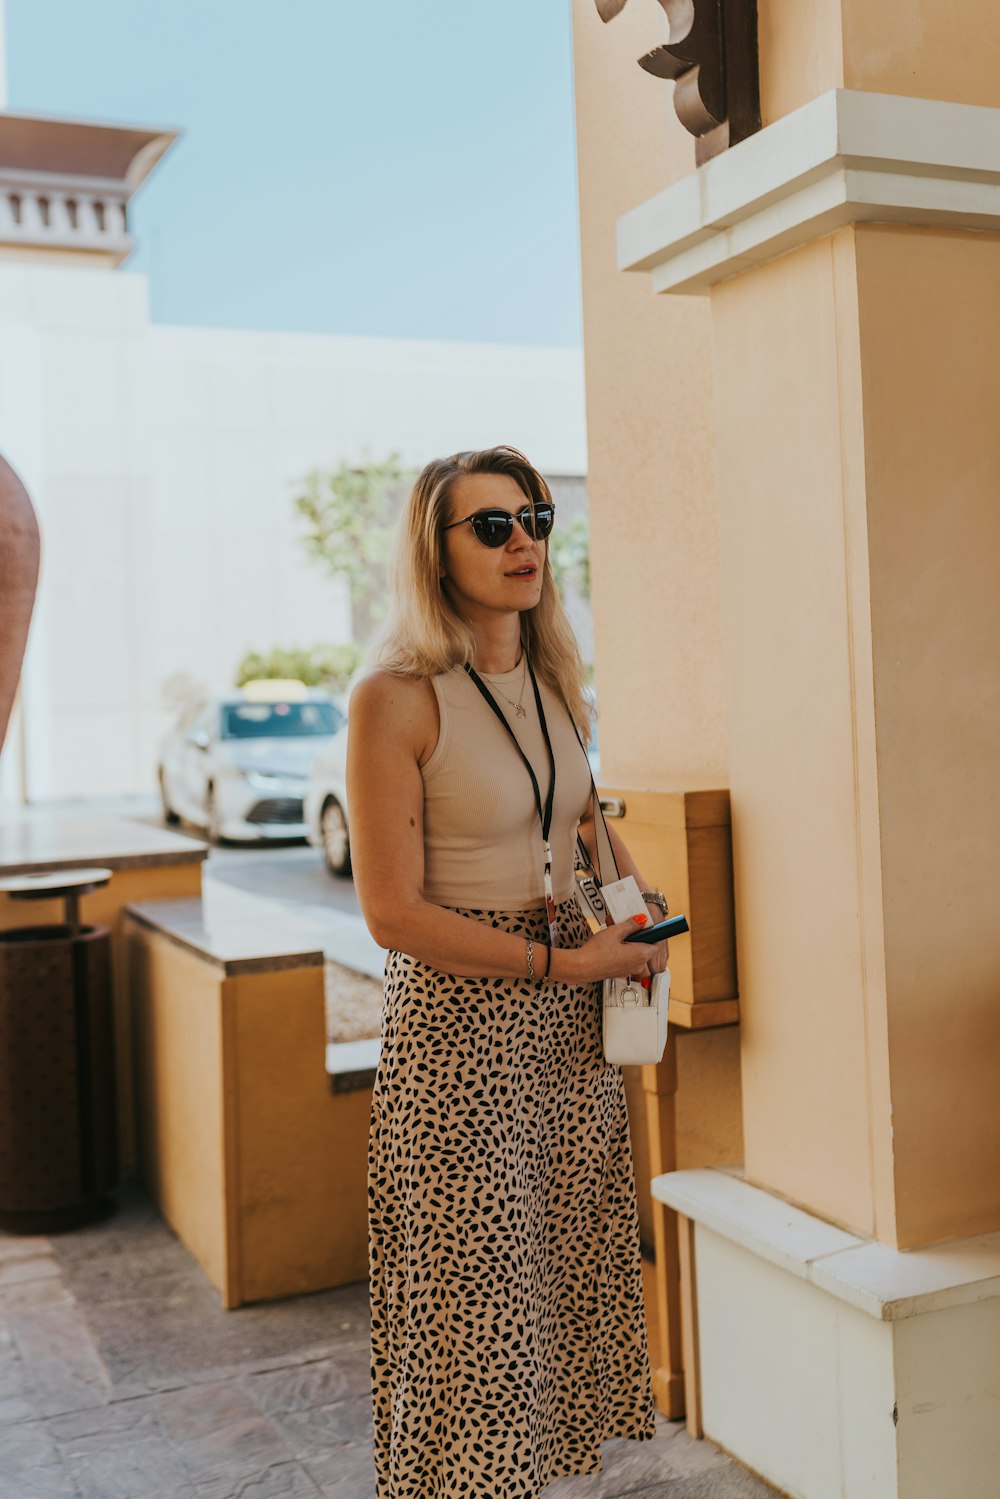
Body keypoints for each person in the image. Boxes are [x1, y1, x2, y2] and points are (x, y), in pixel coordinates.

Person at [347, 444, 670, 1498]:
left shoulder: (549, 675)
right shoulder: (395, 694)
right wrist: (566, 957)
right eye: (491, 525)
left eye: (532, 516)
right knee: (474, 1299)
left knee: (559, 1274)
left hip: (565, 1022)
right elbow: (392, 913)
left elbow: (580, 824)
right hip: (462, 1026)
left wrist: (635, 907)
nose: (523, 538)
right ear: (434, 554)